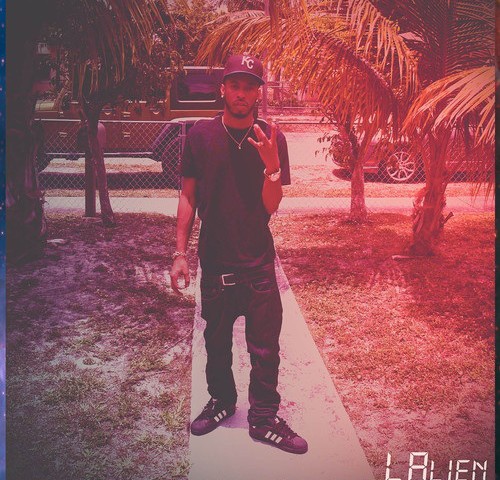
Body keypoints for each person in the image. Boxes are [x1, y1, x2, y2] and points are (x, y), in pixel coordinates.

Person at [170, 53, 308, 455]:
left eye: (249, 86)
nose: (241, 93)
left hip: (258, 263)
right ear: (223, 89)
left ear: (258, 93)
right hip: (215, 261)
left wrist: (272, 167)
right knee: (216, 343)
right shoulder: (200, 135)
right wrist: (180, 253)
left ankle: (263, 419)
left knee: (265, 350)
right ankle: (222, 401)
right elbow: (188, 196)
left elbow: (271, 206)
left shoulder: (272, 137)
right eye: (235, 85)